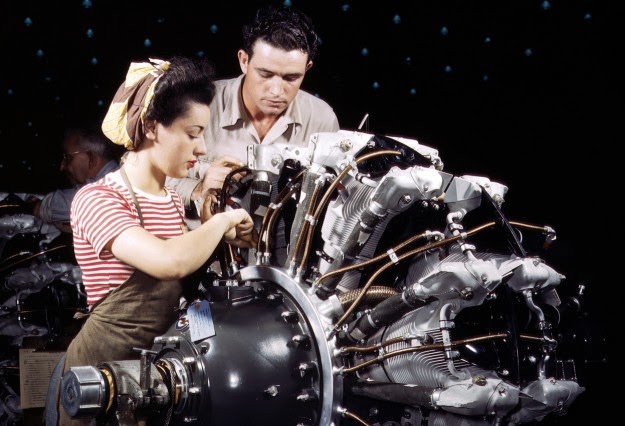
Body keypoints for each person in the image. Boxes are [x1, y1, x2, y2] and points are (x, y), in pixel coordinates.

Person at [53, 56, 255, 425]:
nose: (202, 149)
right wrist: (220, 223)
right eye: (192, 134)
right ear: (150, 127)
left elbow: (181, 275)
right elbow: (167, 261)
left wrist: (219, 234)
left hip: (153, 380)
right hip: (99, 378)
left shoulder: (172, 199)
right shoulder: (98, 199)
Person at [167, 4, 340, 264]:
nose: (276, 90)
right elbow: (151, 179)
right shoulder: (200, 106)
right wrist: (198, 191)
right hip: (203, 265)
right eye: (266, 74)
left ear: (309, 68)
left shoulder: (322, 118)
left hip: (284, 270)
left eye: (291, 78)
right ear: (244, 60)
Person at [30, 125, 122, 233]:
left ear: (91, 158)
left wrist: (38, 205)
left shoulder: (107, 189)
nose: (62, 166)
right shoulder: (117, 177)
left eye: (68, 158)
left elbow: (50, 206)